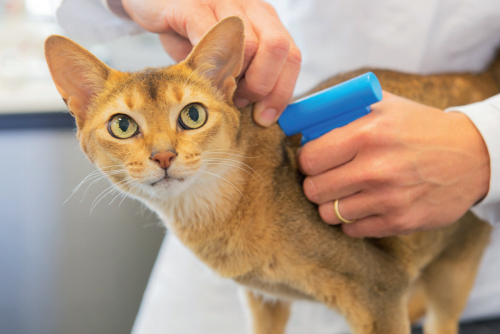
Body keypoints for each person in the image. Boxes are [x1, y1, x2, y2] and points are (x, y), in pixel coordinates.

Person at [56, 0, 500, 333]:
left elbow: (378, 285)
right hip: (227, 203)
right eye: (122, 125)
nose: (162, 153)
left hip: (466, 232)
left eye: (188, 118)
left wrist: (484, 144)